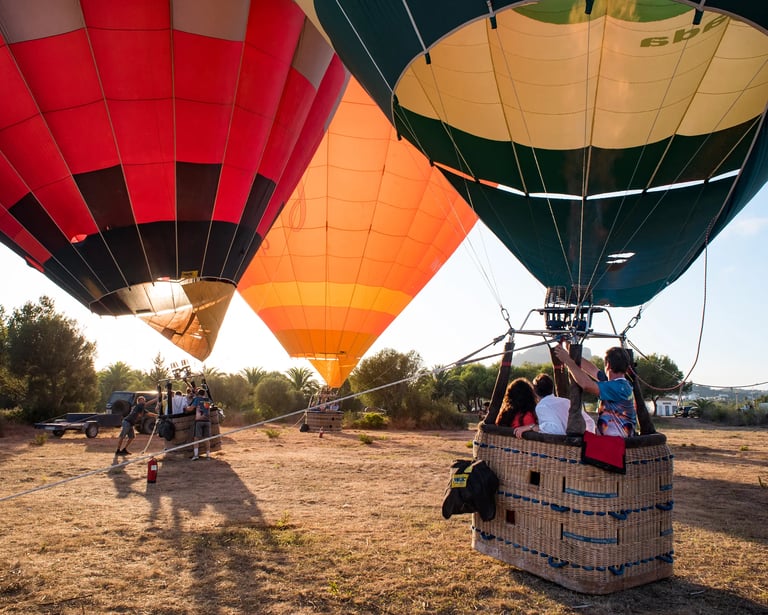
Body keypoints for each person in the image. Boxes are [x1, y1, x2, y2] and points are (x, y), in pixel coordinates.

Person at [553, 345, 637, 437]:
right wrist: (570, 350)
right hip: (612, 441)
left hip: (614, 444)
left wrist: (568, 361)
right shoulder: (617, 384)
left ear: (608, 365)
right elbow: (592, 370)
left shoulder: (618, 387)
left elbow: (586, 384)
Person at [187, 388, 212, 460]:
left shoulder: (197, 399)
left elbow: (191, 408)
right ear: (204, 394)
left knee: (196, 438)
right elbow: (207, 408)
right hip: (207, 421)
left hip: (199, 421)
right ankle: (208, 456)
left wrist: (185, 407)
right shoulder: (207, 400)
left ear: (199, 394)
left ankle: (196, 455)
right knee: (206, 439)